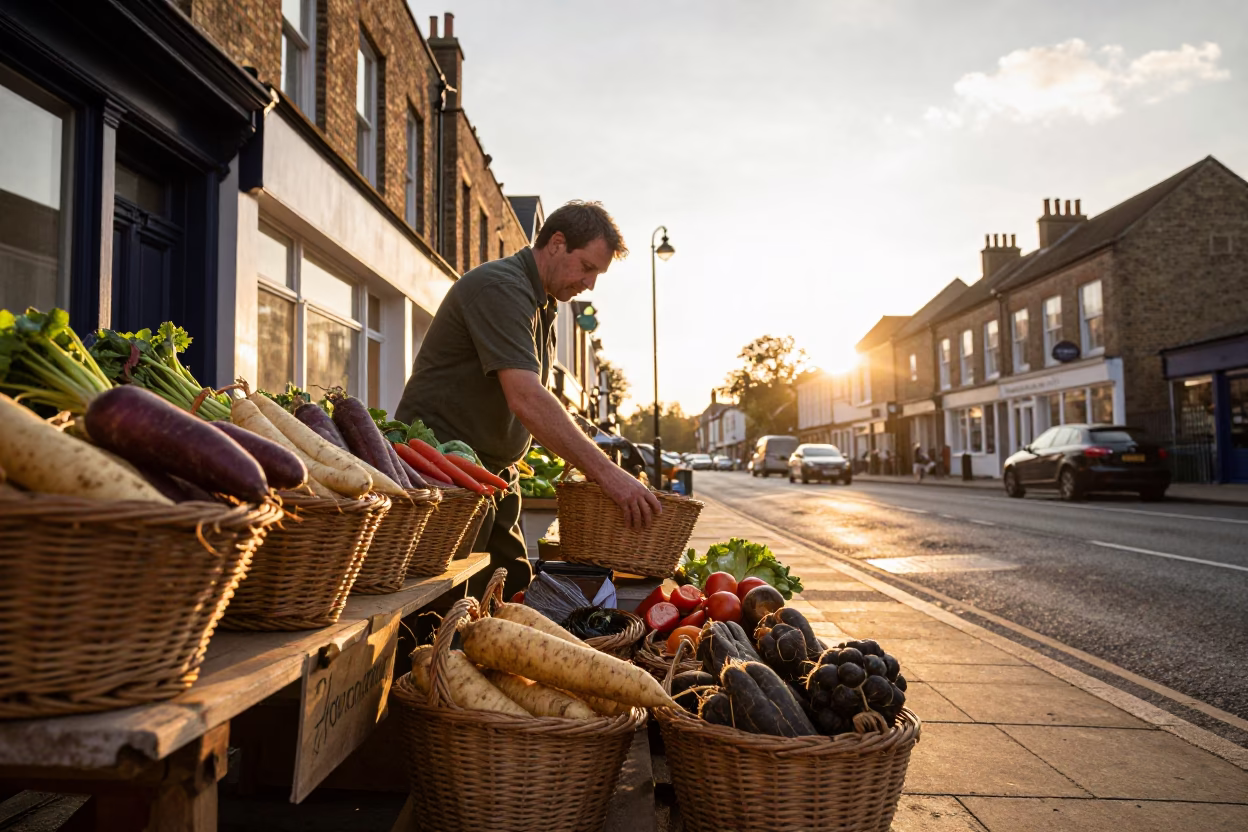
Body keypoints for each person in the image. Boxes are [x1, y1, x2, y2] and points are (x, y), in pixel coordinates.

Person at [394, 201, 661, 597]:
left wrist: (600, 443)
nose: (589, 284)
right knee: (443, 600)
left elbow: (543, 400)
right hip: (447, 473)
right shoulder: (502, 288)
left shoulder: (543, 304)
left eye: (596, 274)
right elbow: (526, 398)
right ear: (556, 243)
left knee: (515, 587)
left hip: (495, 475)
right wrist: (607, 475)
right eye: (587, 268)